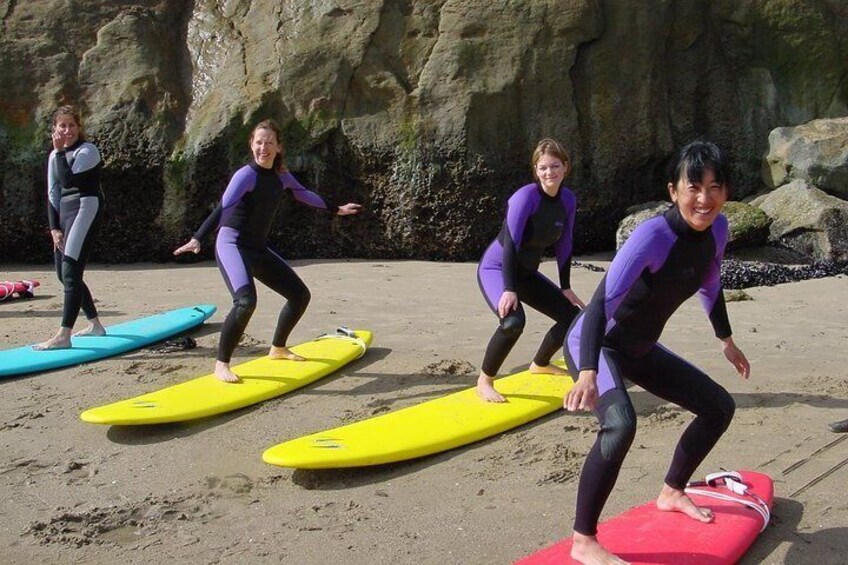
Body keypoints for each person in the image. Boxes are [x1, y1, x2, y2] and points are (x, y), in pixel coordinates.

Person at [562, 140, 751, 565]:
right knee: (620, 424)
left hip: (639, 346)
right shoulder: (652, 235)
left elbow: (711, 286)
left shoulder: (718, 230)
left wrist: (727, 340)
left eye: (715, 187)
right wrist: (588, 371)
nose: (704, 199)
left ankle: (672, 491)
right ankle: (583, 539)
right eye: (694, 187)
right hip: (594, 342)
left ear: (726, 191)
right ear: (674, 190)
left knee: (718, 406)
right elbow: (598, 307)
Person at [174, 119, 361, 382]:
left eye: (269, 143)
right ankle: (221, 365)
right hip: (232, 245)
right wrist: (198, 238)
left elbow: (303, 193)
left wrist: (336, 208)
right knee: (245, 302)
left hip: (257, 248)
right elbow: (223, 207)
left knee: (299, 295)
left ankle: (278, 348)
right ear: (252, 145)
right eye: (259, 142)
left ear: (278, 147)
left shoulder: (281, 175)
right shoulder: (245, 175)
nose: (264, 148)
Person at [476, 138, 584, 402]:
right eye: (543, 167)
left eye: (555, 166)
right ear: (536, 170)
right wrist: (509, 289)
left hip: (525, 273)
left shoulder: (568, 200)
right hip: (498, 269)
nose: (549, 172)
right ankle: (485, 380)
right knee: (513, 323)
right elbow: (511, 244)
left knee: (572, 317)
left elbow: (565, 243)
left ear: (565, 167)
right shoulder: (524, 198)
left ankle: (540, 364)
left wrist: (565, 287)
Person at [35, 106, 106, 350]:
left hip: (86, 209)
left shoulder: (88, 151)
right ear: (54, 129)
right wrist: (54, 228)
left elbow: (68, 180)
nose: (67, 131)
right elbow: (53, 193)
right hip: (64, 214)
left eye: (72, 125)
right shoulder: (54, 156)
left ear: (79, 127)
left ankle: (64, 335)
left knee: (71, 271)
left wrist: (59, 150)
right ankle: (95, 325)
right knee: (62, 273)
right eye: (62, 126)